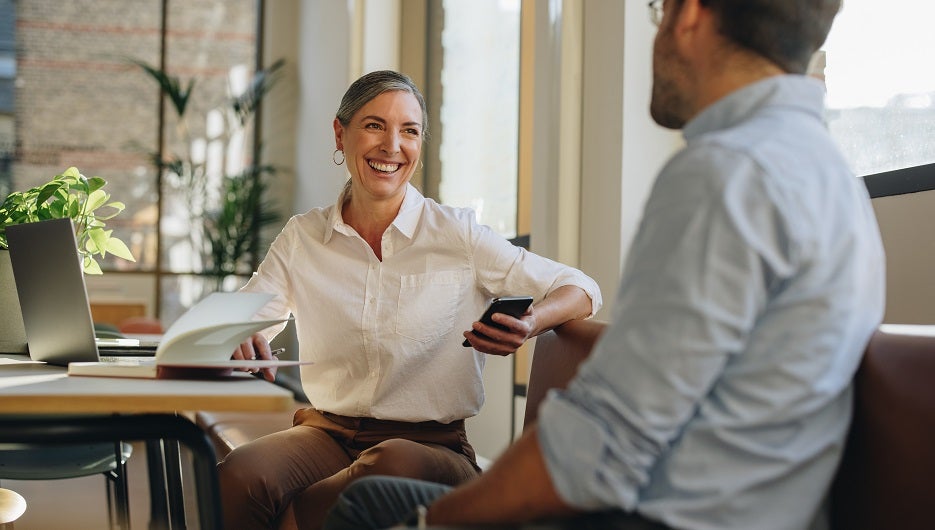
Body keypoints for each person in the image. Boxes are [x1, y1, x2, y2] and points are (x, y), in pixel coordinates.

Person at [323, 1, 885, 529]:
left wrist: (434, 523)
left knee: (374, 511)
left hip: (658, 516)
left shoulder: (728, 173)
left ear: (688, 15)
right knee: (375, 497)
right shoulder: (825, 170)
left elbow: (601, 446)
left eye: (656, 11)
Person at [217, 69, 602, 530]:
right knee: (242, 475)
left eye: (409, 131)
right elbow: (245, 318)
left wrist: (532, 320)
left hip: (431, 448)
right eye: (375, 125)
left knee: (386, 467)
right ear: (341, 134)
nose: (392, 146)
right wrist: (243, 335)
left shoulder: (457, 233)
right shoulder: (304, 237)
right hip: (328, 432)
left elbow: (580, 287)